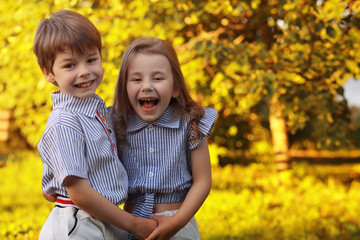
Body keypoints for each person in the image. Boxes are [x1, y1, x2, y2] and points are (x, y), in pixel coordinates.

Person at [33, 10, 157, 239]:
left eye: (91, 60)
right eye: (70, 65)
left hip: (104, 218)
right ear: (49, 72)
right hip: (79, 223)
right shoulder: (66, 121)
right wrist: (134, 224)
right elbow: (80, 193)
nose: (84, 72)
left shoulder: (95, 111)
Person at [112, 37, 217, 240]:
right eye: (136, 79)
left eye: (158, 78)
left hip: (178, 224)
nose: (147, 86)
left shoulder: (191, 123)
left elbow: (202, 181)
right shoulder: (117, 124)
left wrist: (177, 222)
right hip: (131, 224)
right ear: (125, 88)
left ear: (175, 87)